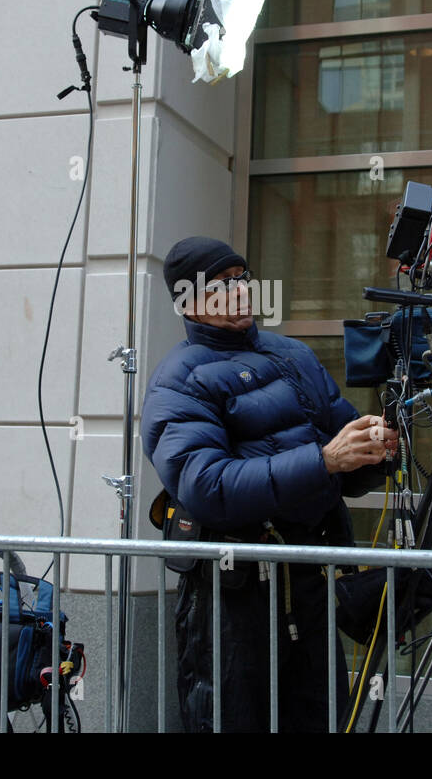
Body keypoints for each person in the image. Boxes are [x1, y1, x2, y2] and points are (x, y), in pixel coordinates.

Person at [140, 236, 397, 732]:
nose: (240, 291)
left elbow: (346, 460)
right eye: (222, 284)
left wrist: (376, 448)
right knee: (235, 718)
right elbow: (206, 485)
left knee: (320, 716)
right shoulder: (177, 381)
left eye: (243, 279)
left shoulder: (293, 356)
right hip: (233, 596)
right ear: (187, 301)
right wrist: (323, 460)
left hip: (309, 581)